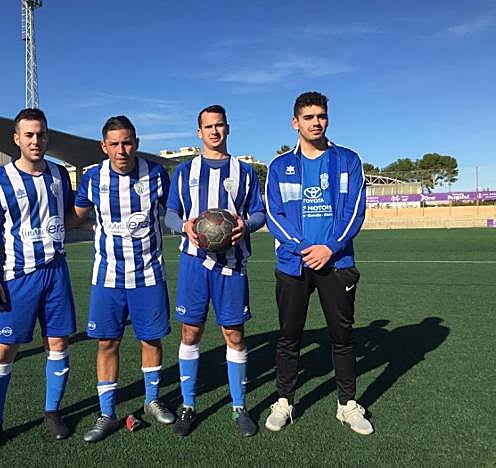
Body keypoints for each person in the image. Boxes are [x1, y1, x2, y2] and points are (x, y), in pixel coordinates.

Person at [264, 91, 373, 435]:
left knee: (342, 336)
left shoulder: (348, 160)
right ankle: (284, 401)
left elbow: (356, 211)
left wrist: (331, 247)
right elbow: (274, 214)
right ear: (295, 122)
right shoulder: (280, 166)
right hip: (293, 264)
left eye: (321, 116)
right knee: (289, 336)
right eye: (308, 117)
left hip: (337, 262)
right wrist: (302, 247)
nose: (316, 122)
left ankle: (347, 404)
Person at [0, 108, 77, 455]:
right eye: (29, 135)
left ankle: (52, 412)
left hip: (56, 272)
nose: (36, 140)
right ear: (16, 139)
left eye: (41, 134)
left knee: (58, 343)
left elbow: (68, 217)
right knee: (3, 350)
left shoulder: (60, 175)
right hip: (16, 276)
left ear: (48, 137)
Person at [164, 105, 266, 437]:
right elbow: (170, 213)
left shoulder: (244, 172)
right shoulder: (184, 171)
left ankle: (239, 406)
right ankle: (188, 405)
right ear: (199, 132)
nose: (214, 131)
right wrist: (184, 226)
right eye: (208, 126)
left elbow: (259, 213)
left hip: (232, 266)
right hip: (194, 263)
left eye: (219, 125)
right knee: (190, 332)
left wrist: (245, 225)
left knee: (234, 334)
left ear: (227, 128)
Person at [74, 115, 174, 443]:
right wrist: (96, 228)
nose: (122, 150)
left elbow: (174, 212)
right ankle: (107, 413)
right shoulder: (92, 178)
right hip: (108, 277)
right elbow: (77, 217)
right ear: (104, 147)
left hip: (148, 274)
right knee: (107, 343)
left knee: (151, 340)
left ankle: (152, 400)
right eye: (114, 144)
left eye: (127, 143)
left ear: (136, 143)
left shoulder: (156, 174)